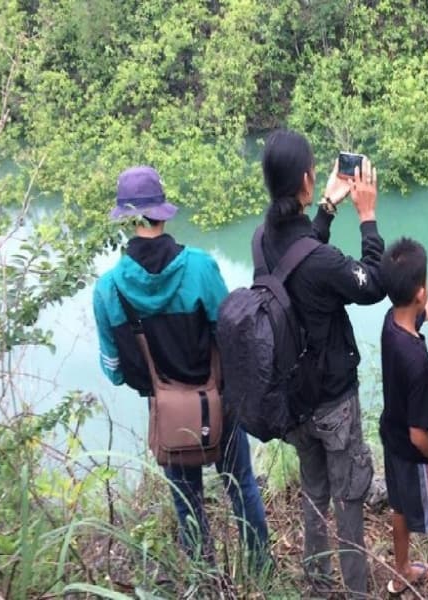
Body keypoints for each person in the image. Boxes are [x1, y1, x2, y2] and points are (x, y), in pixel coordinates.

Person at [92, 165, 270, 568]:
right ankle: (261, 574)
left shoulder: (108, 289)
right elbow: (232, 334)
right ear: (162, 213)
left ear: (128, 219)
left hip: (168, 414)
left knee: (187, 500)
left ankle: (203, 579)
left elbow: (115, 368)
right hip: (219, 403)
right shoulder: (200, 267)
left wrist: (156, 384)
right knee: (241, 485)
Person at [256, 130, 385, 596]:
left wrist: (327, 207)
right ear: (308, 181)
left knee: (314, 492)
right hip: (333, 404)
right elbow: (372, 284)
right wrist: (367, 219)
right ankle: (355, 591)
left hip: (293, 403)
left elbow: (298, 254)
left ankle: (316, 583)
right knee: (349, 497)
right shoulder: (325, 261)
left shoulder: (260, 241)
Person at [378, 238, 428, 598]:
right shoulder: (418, 363)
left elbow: (427, 311)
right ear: (421, 290)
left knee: (399, 505)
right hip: (413, 450)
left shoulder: (392, 320)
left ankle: (401, 571)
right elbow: (418, 433)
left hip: (390, 438)